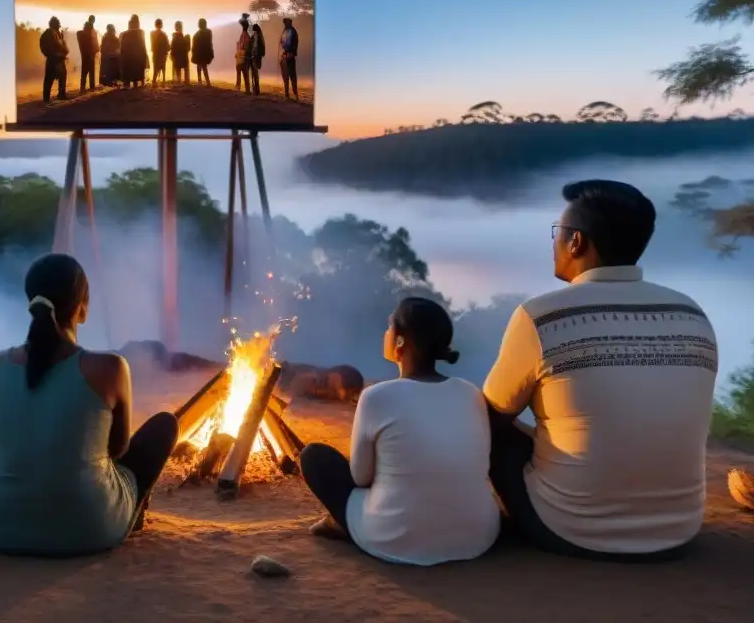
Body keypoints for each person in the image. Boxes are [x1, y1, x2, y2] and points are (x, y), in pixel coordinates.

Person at [484, 180, 718, 561]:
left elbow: (491, 416)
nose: (554, 242)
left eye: (558, 233)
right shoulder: (691, 313)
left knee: (480, 423)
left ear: (576, 242)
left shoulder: (541, 316)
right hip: (679, 529)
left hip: (569, 528)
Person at [0, 254, 180, 556]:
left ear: (31, 303)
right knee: (164, 426)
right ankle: (130, 515)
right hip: (87, 528)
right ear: (82, 308)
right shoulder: (110, 368)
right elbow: (118, 450)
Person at [299, 297, 500, 566]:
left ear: (401, 341)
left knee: (315, 457)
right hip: (478, 536)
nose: (385, 333)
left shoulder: (376, 397)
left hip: (394, 537)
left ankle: (346, 526)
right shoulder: (471, 393)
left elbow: (360, 478)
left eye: (389, 326)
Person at [39, 16, 69, 103]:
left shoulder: (57, 33)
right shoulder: (50, 33)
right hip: (54, 59)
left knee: (61, 77)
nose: (59, 24)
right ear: (54, 24)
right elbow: (49, 46)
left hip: (58, 59)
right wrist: (53, 54)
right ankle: (47, 98)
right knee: (49, 79)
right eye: (58, 23)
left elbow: (61, 45)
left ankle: (60, 95)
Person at [119, 15, 149, 88]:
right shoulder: (141, 32)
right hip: (138, 55)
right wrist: (145, 55)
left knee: (129, 70)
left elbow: (121, 46)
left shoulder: (124, 34)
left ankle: (127, 84)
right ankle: (136, 84)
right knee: (137, 71)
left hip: (127, 55)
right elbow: (143, 45)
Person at [76, 15, 100, 92]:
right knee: (87, 71)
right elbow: (91, 41)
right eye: (92, 19)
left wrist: (96, 50)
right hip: (88, 53)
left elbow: (94, 42)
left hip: (88, 53)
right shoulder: (88, 30)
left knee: (88, 71)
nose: (93, 21)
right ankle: (87, 87)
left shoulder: (90, 30)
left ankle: (87, 87)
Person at [279, 17, 299, 99]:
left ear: (289, 23)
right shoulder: (285, 31)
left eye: (286, 23)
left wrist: (292, 53)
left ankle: (295, 94)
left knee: (292, 75)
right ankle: (287, 94)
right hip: (285, 54)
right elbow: (282, 42)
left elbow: (295, 43)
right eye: (284, 23)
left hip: (290, 55)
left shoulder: (293, 31)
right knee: (285, 75)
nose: (285, 24)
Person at [191, 17, 213, 86]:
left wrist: (194, 54)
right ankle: (207, 82)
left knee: (200, 67)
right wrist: (211, 53)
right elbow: (210, 43)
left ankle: (200, 81)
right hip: (205, 53)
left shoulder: (196, 35)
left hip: (199, 54)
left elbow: (194, 47)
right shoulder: (208, 32)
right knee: (204, 67)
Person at [150, 18, 170, 86]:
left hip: (156, 53)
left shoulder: (152, 33)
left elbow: (152, 45)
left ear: (155, 25)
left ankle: (154, 81)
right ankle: (163, 81)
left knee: (156, 67)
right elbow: (168, 46)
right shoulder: (163, 34)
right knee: (163, 67)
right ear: (161, 25)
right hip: (163, 53)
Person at [234, 14, 252, 93]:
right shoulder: (246, 35)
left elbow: (243, 46)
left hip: (243, 57)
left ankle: (241, 88)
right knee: (244, 74)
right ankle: (246, 89)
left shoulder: (244, 35)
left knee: (242, 73)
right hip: (243, 57)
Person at [248, 23, 266, 95]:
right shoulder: (256, 36)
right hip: (254, 56)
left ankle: (256, 89)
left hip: (256, 56)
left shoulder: (258, 36)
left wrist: (258, 54)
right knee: (254, 73)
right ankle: (255, 89)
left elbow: (260, 47)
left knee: (254, 73)